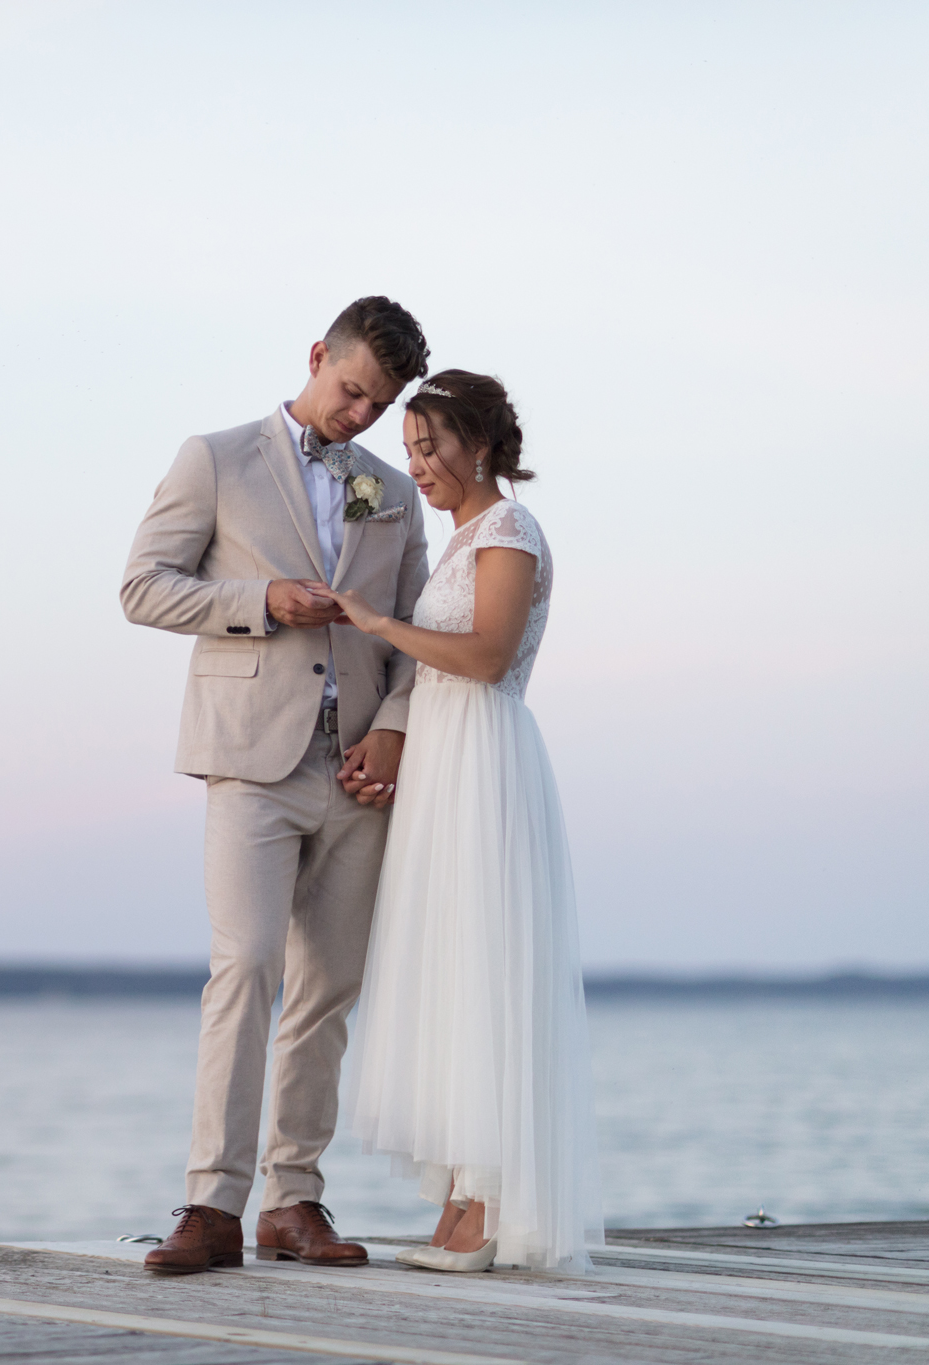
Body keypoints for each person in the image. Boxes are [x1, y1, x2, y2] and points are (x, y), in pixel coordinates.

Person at [120, 297, 432, 1274]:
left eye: (377, 406)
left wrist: (391, 731)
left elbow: (420, 627)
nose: (357, 418)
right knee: (245, 966)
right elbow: (141, 586)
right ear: (313, 358)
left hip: (357, 776)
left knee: (327, 990)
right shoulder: (212, 458)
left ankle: (291, 1203)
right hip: (251, 761)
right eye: (348, 392)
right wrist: (258, 602)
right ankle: (210, 1206)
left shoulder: (391, 491)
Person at [318, 370, 604, 1273]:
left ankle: (488, 1207)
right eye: (409, 449)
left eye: (432, 445)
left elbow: (483, 655)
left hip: (484, 764)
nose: (419, 464)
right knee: (445, 966)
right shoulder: (455, 543)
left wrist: (376, 622)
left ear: (478, 443)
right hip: (442, 768)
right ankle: (460, 1192)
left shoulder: (510, 530)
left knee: (482, 964)